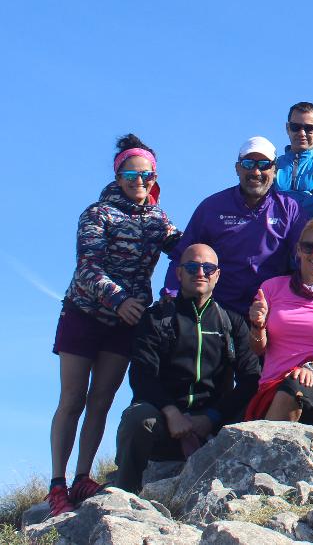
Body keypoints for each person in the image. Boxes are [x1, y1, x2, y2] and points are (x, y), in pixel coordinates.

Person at [48, 135, 180, 515]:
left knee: (101, 401)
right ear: (119, 174)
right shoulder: (96, 214)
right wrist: (119, 300)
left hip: (127, 322)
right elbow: (87, 267)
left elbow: (183, 248)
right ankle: (57, 484)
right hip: (84, 314)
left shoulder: (158, 219)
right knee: (72, 398)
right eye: (132, 173)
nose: (140, 180)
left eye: (147, 174)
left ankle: (82, 478)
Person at [115, 244, 260, 492]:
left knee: (259, 407)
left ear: (217, 275)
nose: (200, 273)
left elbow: (250, 378)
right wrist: (172, 414)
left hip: (214, 425)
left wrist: (212, 417)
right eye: (192, 267)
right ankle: (125, 493)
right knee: (137, 418)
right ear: (179, 273)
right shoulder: (156, 318)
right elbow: (142, 376)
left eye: (208, 267)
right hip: (165, 423)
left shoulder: (232, 323)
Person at [162, 136, 303, 316]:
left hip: (270, 313)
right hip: (216, 313)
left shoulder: (289, 209)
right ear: (237, 168)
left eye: (264, 164)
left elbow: (306, 258)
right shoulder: (212, 207)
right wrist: (171, 294)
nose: (256, 172)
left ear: (275, 170)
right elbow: (181, 255)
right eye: (248, 164)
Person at [243, 218, 313, 423]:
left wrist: (309, 368)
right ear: (299, 250)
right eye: (309, 247)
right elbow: (257, 349)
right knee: (289, 389)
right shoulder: (271, 287)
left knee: (294, 388)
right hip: (272, 383)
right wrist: (257, 327)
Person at [276, 101, 313, 218]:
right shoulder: (272, 166)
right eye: (296, 127)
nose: (302, 133)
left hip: (312, 233)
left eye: (309, 128)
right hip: (276, 235)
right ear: (288, 128)